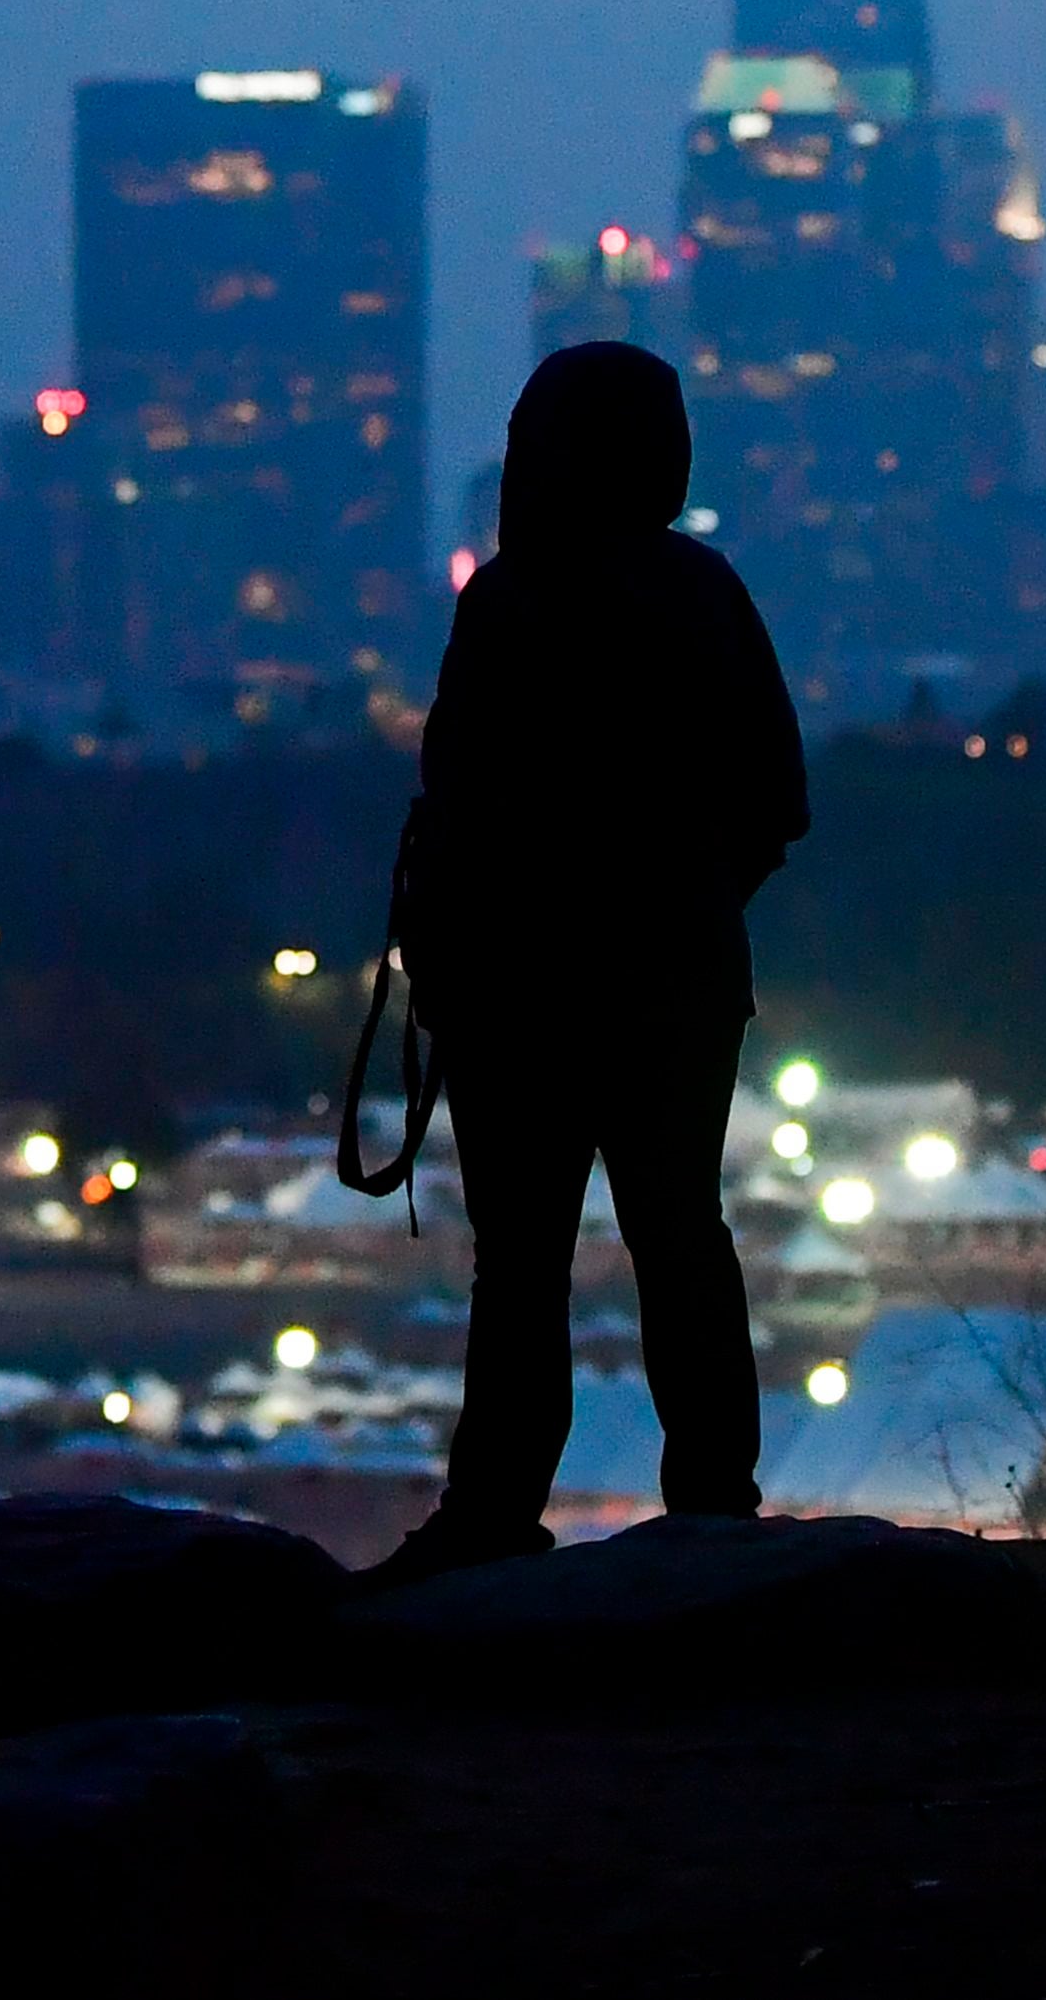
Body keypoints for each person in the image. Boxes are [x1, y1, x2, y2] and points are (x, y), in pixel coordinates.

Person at [371, 340, 807, 1581]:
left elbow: (454, 808)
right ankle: (715, 1506)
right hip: (680, 986)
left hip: (523, 1000)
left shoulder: (510, 603)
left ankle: (496, 1511)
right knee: (683, 1236)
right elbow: (778, 798)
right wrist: (694, 901)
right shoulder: (707, 593)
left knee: (521, 1267)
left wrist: (461, 956)